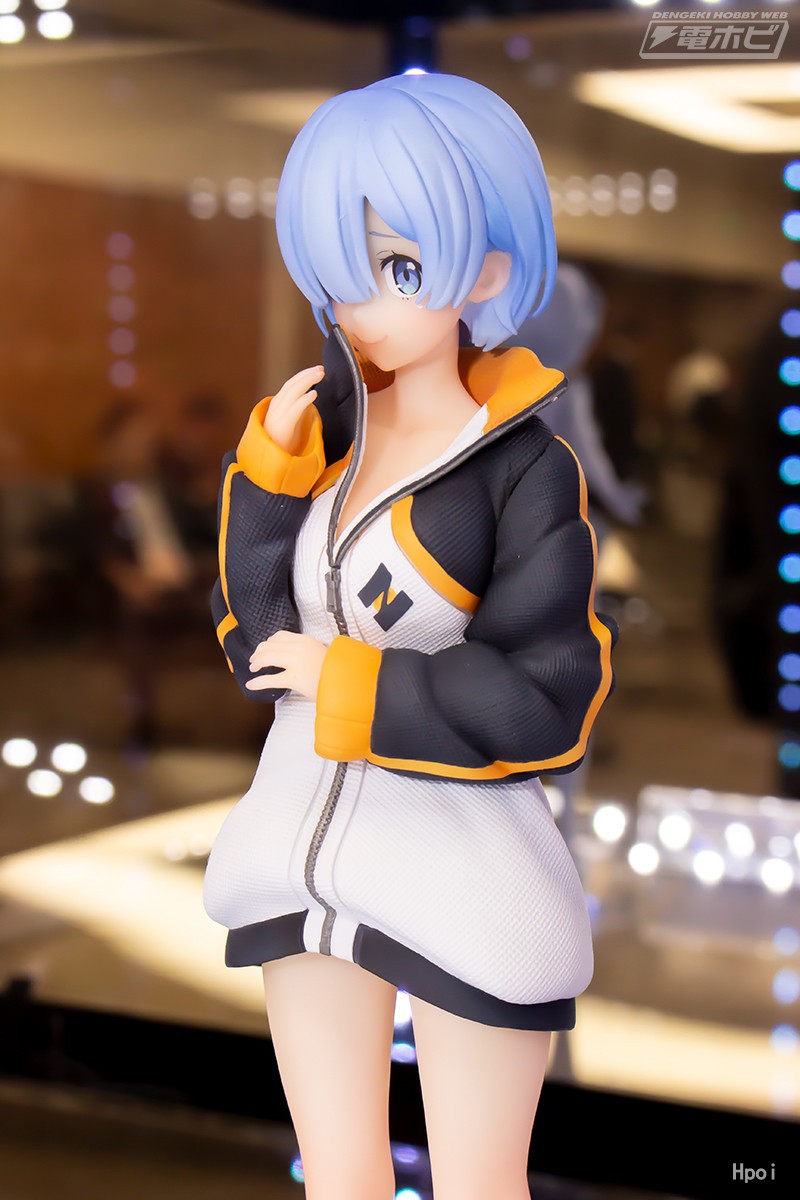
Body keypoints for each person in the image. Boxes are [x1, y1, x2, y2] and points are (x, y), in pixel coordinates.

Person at [202, 73, 617, 1200]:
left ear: (484, 271)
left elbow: (547, 698)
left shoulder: (524, 469)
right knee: (338, 1177)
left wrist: (353, 685)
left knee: (479, 1185)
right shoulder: (324, 443)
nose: (359, 307)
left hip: (466, 881)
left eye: (394, 268)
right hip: (296, 864)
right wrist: (268, 486)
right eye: (338, 271)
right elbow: (255, 652)